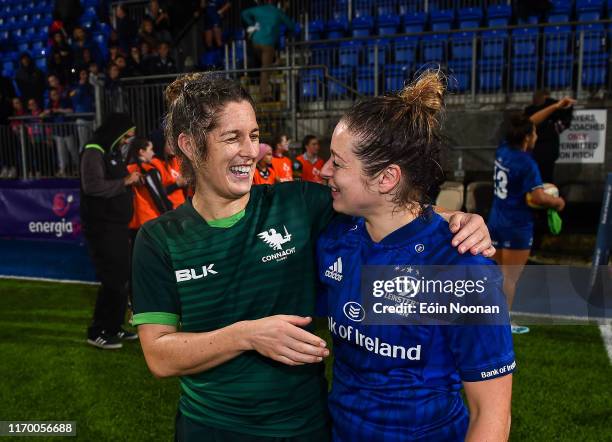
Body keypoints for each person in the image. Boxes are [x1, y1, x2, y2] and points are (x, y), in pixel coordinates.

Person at [131, 72, 496, 441]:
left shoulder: (299, 206)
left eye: (254, 136)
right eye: (232, 137)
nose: (251, 150)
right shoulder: (159, 239)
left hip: (305, 429)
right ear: (190, 145)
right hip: (208, 429)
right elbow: (160, 356)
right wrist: (247, 335)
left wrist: (455, 220)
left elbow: (390, 206)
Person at [317, 71, 514, 442]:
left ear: (386, 179)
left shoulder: (461, 265)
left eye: (338, 163)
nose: (324, 170)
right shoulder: (334, 234)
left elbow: (491, 414)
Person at [488, 112, 566, 334]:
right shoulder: (527, 162)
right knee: (509, 277)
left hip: (495, 219)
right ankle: (503, 323)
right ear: (527, 138)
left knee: (493, 274)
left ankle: (484, 317)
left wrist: (558, 106)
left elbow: (529, 121)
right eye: (533, 132)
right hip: (517, 224)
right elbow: (539, 197)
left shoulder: (503, 149)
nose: (536, 134)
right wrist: (558, 202)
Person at [80, 112, 142, 349]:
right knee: (113, 280)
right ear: (116, 133)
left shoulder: (111, 151)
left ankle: (114, 327)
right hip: (101, 227)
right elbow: (92, 186)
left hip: (116, 226)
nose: (128, 140)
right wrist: (125, 182)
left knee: (121, 278)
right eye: (126, 136)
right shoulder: (93, 151)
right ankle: (97, 330)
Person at [241, 0, 294, 100]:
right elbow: (291, 26)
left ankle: (267, 78)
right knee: (266, 67)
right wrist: (287, 32)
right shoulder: (276, 11)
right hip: (267, 43)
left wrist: (252, 24)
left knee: (268, 63)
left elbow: (244, 13)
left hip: (255, 41)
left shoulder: (258, 9)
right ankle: (264, 92)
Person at [43, 87, 76, 177]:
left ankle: (78, 167)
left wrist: (59, 110)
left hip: (68, 131)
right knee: (61, 153)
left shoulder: (65, 101)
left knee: (72, 150)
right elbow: (44, 114)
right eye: (52, 95)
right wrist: (47, 112)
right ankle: (62, 170)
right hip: (57, 132)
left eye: (56, 94)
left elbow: (71, 110)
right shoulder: (50, 104)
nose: (55, 96)